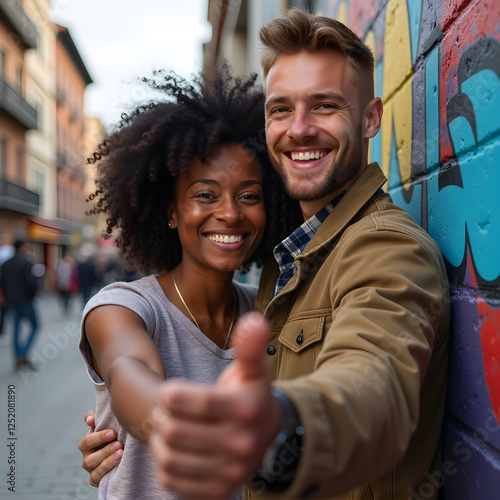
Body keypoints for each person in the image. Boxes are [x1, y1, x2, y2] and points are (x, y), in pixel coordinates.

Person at [81, 9, 451, 499]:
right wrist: (132, 432)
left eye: (324, 106)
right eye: (280, 109)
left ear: (370, 119)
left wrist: (279, 427)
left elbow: (372, 382)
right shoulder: (284, 270)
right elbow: (131, 372)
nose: (298, 129)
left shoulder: (386, 247)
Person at [77, 63, 300, 499]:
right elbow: (128, 373)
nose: (231, 213)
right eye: (205, 194)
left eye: (249, 196)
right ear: (171, 211)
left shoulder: (272, 313)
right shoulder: (121, 307)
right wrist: (175, 427)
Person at [0, 240, 39, 369]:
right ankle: (23, 354)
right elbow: (31, 283)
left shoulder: (5, 264)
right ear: (22, 247)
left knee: (16, 329)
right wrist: (32, 295)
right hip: (25, 300)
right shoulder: (25, 262)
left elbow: (3, 284)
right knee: (35, 325)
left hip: (11, 301)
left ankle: (18, 357)